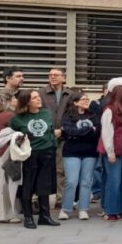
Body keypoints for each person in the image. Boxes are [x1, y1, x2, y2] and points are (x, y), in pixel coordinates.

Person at [10, 90, 60, 229]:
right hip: (29, 154)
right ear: (26, 101)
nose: (39, 99)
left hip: (47, 152)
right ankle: (28, 217)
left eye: (38, 97)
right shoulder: (18, 118)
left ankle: (45, 216)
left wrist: (52, 143)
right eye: (34, 98)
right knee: (28, 185)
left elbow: (50, 130)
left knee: (44, 185)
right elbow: (12, 135)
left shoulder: (46, 113)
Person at [60, 91, 100, 220]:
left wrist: (79, 133)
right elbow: (70, 132)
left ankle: (83, 209)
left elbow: (97, 133)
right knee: (71, 181)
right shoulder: (67, 116)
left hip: (90, 152)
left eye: (87, 99)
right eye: (83, 99)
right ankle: (66, 209)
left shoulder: (93, 115)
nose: (86, 101)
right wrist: (88, 130)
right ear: (75, 102)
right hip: (72, 152)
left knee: (86, 182)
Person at [39, 68, 73, 207]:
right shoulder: (40, 93)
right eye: (50, 75)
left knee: (61, 169)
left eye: (56, 75)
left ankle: (60, 200)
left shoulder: (70, 94)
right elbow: (37, 112)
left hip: (63, 136)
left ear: (63, 78)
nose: (52, 77)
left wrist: (62, 130)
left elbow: (72, 115)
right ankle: (40, 199)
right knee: (42, 168)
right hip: (44, 136)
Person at [99, 85, 122, 221]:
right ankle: (111, 210)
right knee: (114, 181)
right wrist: (110, 152)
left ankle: (121, 209)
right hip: (113, 149)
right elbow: (106, 133)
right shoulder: (109, 110)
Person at [0, 91, 21, 223]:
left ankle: (1, 214)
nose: (16, 100)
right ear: (7, 101)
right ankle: (6, 214)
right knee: (5, 185)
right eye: (14, 98)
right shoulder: (9, 115)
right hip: (3, 153)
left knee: (0, 184)